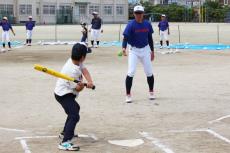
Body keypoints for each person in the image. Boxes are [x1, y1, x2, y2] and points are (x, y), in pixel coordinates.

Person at [54, 42, 95, 151]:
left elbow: (84, 70)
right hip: (63, 94)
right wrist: (82, 86)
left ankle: (64, 133)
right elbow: (77, 89)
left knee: (75, 109)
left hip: (67, 92)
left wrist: (89, 81)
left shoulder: (75, 61)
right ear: (82, 57)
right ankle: (65, 142)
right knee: (74, 115)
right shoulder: (72, 71)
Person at [122, 5, 155, 103]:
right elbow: (125, 38)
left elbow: (150, 38)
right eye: (136, 13)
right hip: (134, 50)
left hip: (145, 50)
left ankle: (151, 91)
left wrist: (152, 51)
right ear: (134, 14)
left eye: (140, 13)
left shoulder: (147, 24)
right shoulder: (131, 25)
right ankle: (128, 94)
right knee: (131, 72)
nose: (138, 15)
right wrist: (123, 47)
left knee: (149, 72)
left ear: (143, 13)